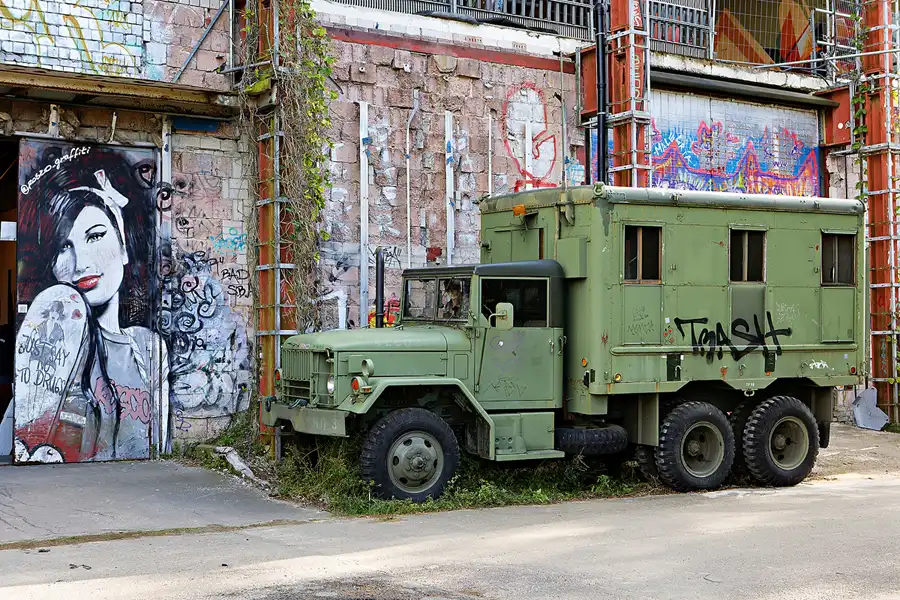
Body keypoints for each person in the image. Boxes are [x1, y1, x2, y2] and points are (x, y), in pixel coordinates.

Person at [14, 146, 170, 463]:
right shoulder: (52, 345)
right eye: (63, 247)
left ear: (124, 245)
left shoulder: (150, 348)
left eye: (95, 237)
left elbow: (161, 438)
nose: (81, 262)